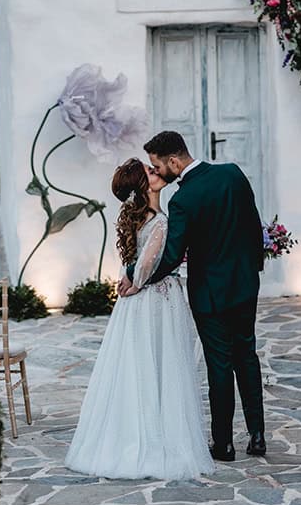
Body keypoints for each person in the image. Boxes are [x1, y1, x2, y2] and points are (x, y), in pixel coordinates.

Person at [119, 131, 266, 462]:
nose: (158, 172)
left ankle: (224, 444)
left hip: (209, 294)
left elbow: (171, 255)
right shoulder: (233, 173)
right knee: (247, 354)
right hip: (244, 285)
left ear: (174, 161)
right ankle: (258, 436)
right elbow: (254, 227)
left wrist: (134, 273)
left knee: (219, 363)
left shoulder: (183, 199)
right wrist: (253, 268)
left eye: (158, 166)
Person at [65, 157, 215, 480]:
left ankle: (140, 430)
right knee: (160, 366)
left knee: (140, 366)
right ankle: (154, 438)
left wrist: (131, 281)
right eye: (150, 171)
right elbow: (145, 267)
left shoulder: (137, 219)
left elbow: (135, 265)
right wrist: (136, 281)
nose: (156, 172)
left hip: (138, 304)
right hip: (157, 302)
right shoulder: (159, 221)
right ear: (143, 186)